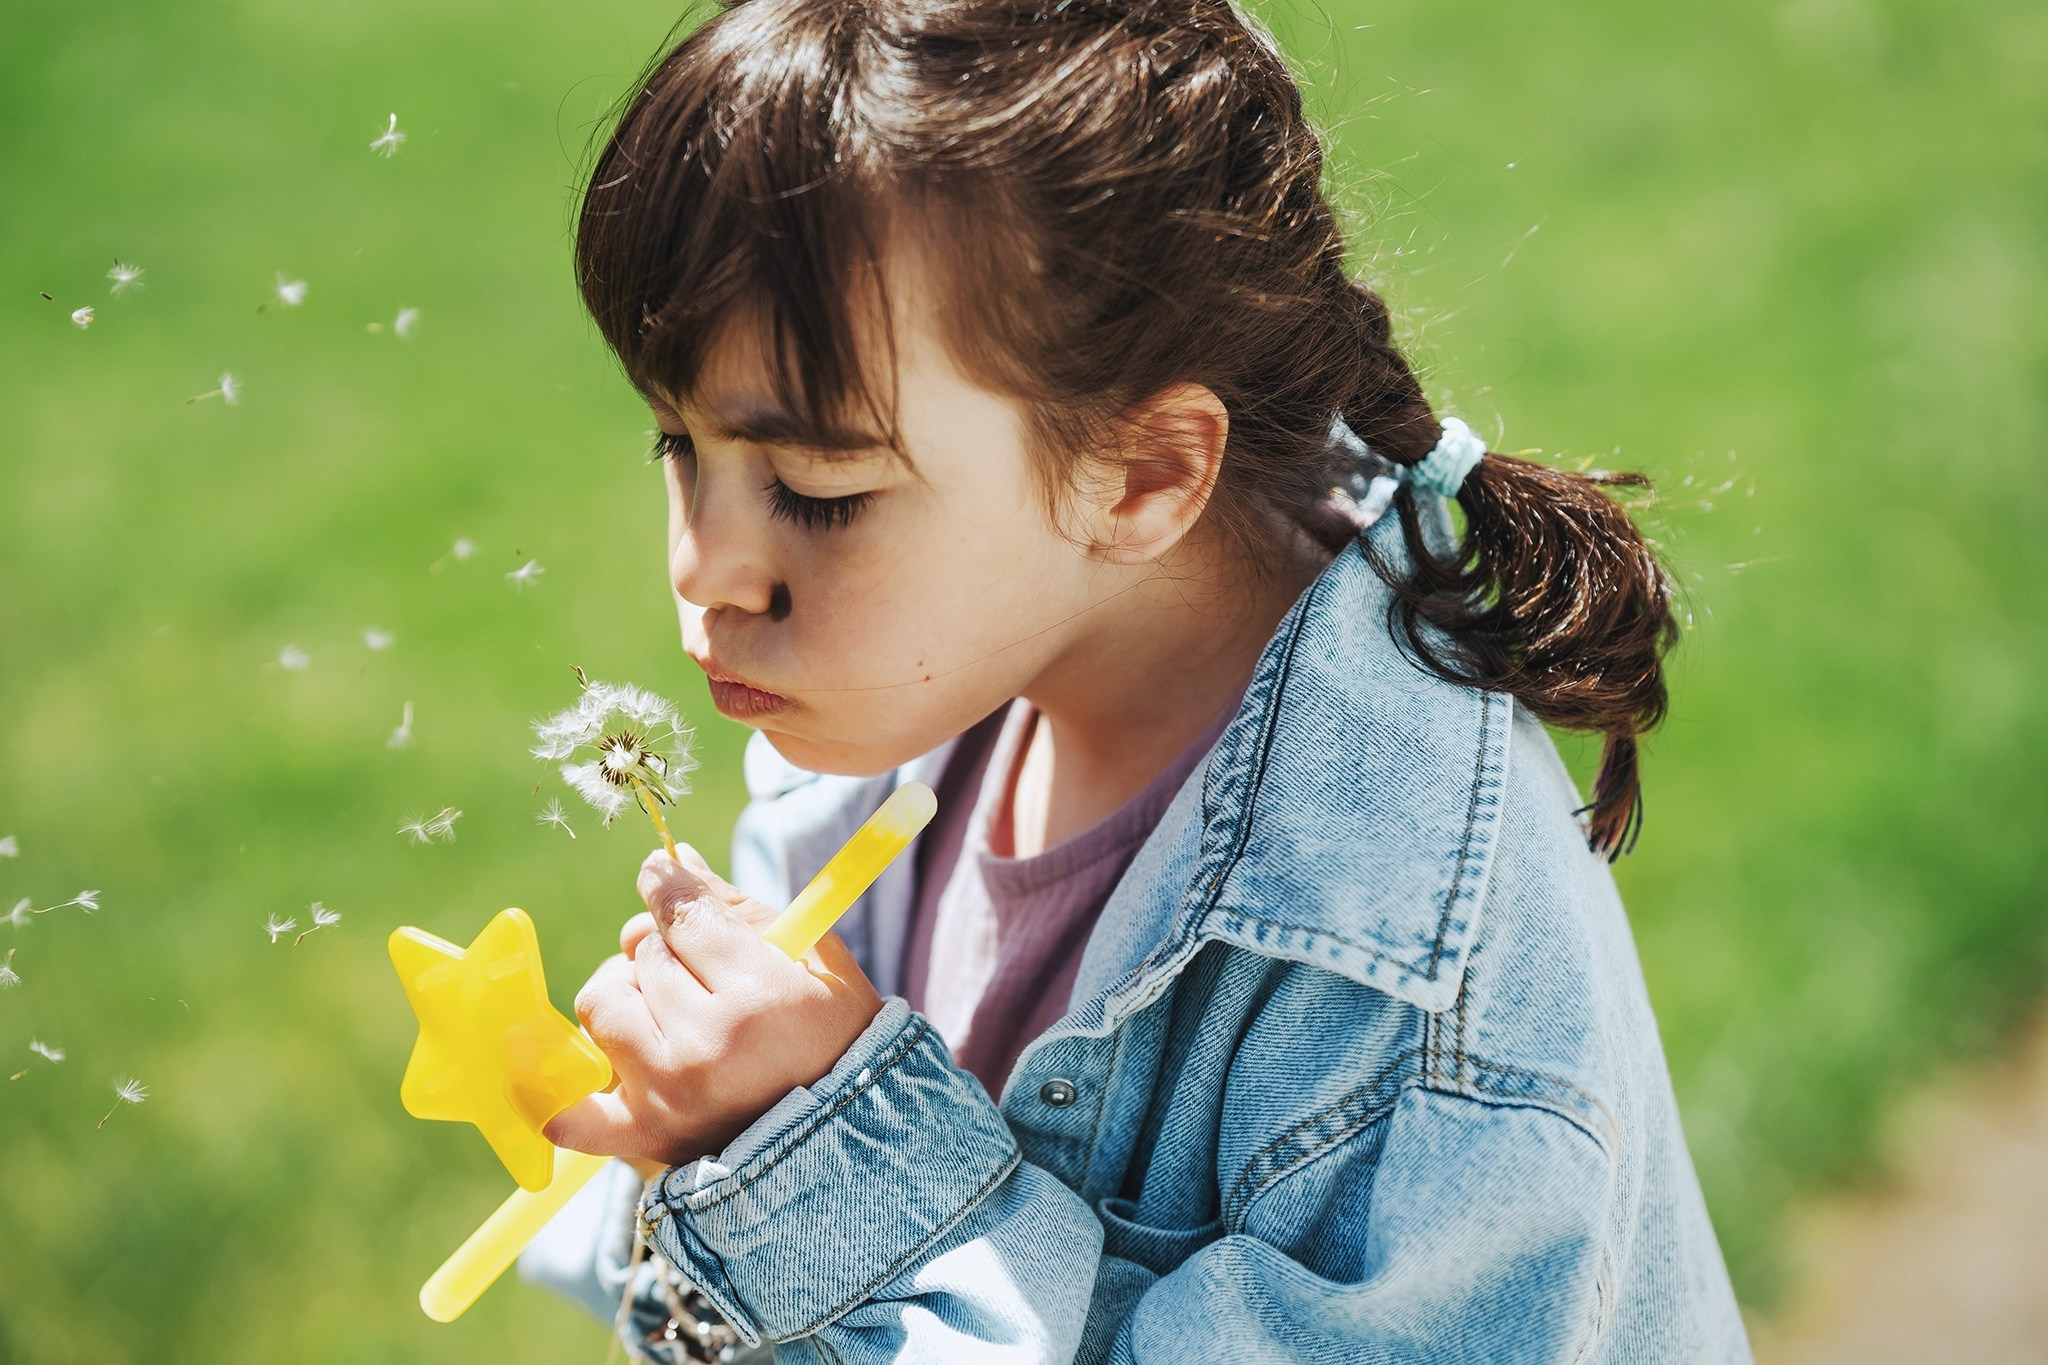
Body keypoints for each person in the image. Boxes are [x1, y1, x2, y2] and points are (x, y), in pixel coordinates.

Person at [516, 0, 1752, 1359]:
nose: (705, 565)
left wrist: (816, 1165)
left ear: (1142, 475)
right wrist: (701, 1146)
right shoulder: (906, 708)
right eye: (677, 450)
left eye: (816, 489)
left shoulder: (1398, 981)